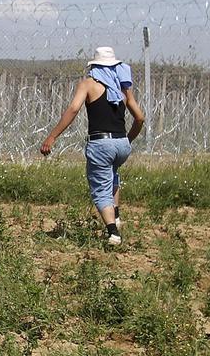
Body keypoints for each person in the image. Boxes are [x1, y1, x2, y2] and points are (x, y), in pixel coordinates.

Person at [40, 46, 145, 245]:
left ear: (94, 66)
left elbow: (73, 109)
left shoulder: (88, 84)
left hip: (101, 143)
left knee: (100, 187)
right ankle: (117, 216)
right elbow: (139, 118)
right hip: (121, 143)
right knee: (112, 176)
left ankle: (113, 232)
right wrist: (127, 140)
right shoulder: (122, 89)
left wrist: (52, 137)